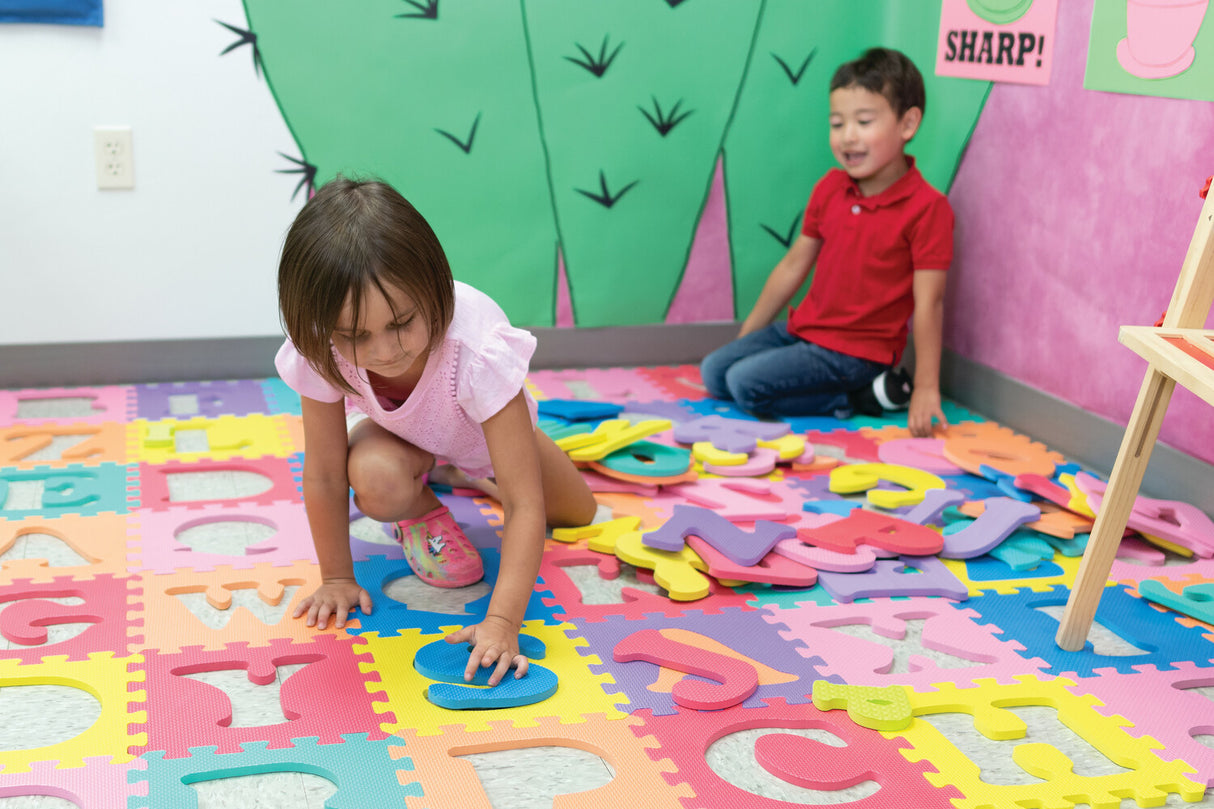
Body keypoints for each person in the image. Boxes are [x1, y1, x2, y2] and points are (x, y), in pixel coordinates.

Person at [275, 177, 598, 686]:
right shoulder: (319, 343)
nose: (383, 351)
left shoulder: (475, 346)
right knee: (375, 479)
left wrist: (501, 622)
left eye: (401, 323)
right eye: (356, 336)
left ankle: (462, 473)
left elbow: (524, 504)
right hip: (402, 441)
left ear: (432, 286)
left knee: (577, 513)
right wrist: (337, 577)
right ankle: (424, 502)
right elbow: (323, 474)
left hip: (484, 440)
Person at [701, 47, 952, 438]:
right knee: (716, 373)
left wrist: (926, 386)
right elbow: (793, 265)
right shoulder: (831, 187)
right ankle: (846, 390)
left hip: (857, 353)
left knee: (745, 386)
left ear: (907, 124)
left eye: (864, 121)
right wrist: (748, 335)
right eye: (837, 124)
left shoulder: (928, 208)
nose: (848, 137)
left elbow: (929, 302)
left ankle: (856, 398)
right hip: (805, 330)